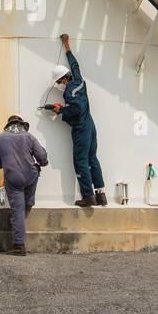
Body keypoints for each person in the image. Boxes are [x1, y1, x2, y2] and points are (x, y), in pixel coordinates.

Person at [49, 33, 107, 207]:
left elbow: (76, 109)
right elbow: (74, 64)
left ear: (64, 78)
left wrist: (60, 111)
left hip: (81, 127)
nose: (59, 84)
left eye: (59, 81)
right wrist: (67, 46)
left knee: (80, 160)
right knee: (92, 158)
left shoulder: (69, 90)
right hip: (90, 125)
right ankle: (101, 194)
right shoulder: (79, 78)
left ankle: (88, 196)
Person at [0, 114, 48, 256]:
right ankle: (21, 216)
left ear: (8, 125)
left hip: (13, 178)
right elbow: (42, 157)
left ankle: (19, 245)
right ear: (21, 124)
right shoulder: (29, 137)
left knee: (17, 210)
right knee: (26, 205)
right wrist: (42, 162)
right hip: (31, 175)